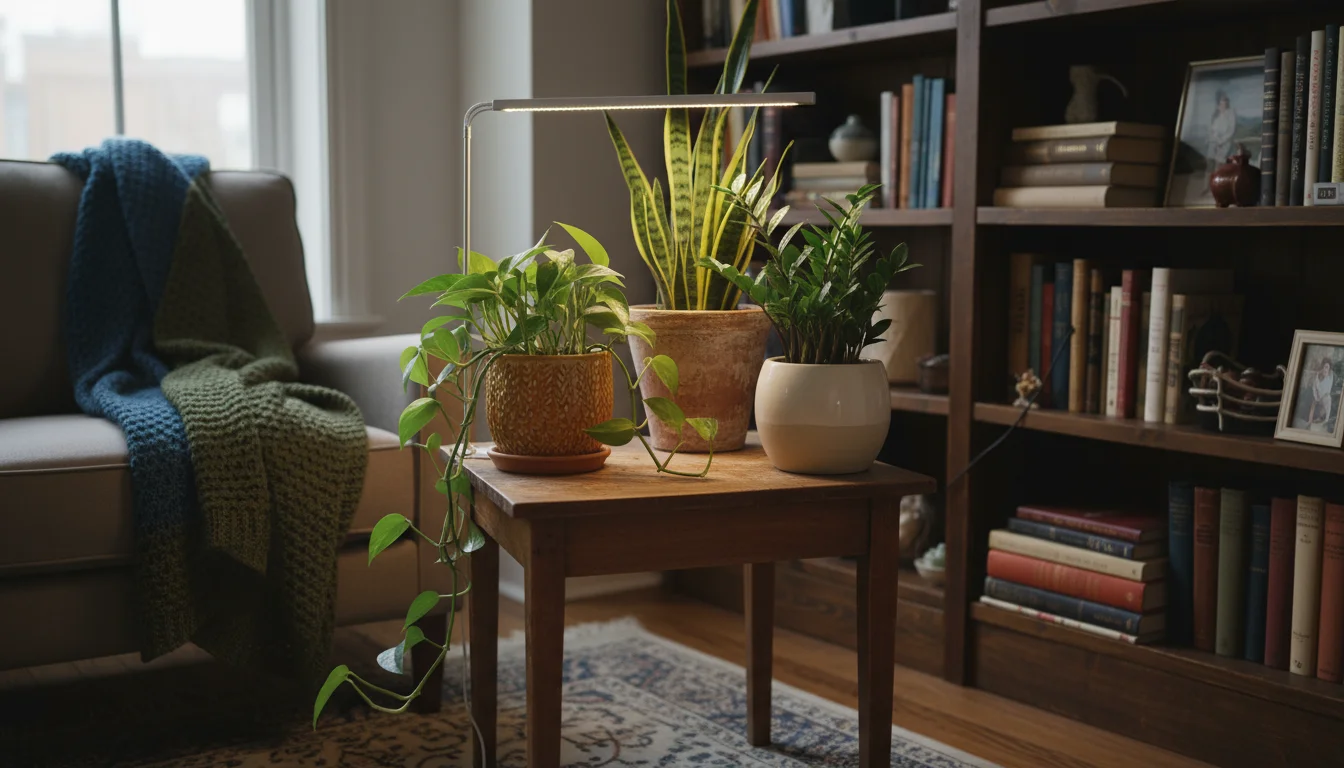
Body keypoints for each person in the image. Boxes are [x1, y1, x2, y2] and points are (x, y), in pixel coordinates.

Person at [1206, 90, 1238, 194]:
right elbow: (1212, 129)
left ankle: (1221, 188)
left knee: (1221, 164)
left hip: (1226, 142)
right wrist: (1216, 140)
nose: (1225, 102)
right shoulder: (1215, 113)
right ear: (1218, 101)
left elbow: (1231, 130)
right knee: (1211, 164)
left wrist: (1222, 141)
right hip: (1214, 142)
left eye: (1226, 100)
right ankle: (1209, 187)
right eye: (1222, 100)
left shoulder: (1231, 113)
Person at [1306, 356, 1336, 430]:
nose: (1325, 369)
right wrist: (1317, 397)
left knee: (1327, 402)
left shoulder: (1330, 377)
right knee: (1313, 403)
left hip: (1325, 397)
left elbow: (1326, 390)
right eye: (1324, 367)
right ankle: (1309, 423)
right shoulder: (1318, 378)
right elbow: (1314, 388)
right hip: (1318, 397)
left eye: (1327, 367)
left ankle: (1324, 420)